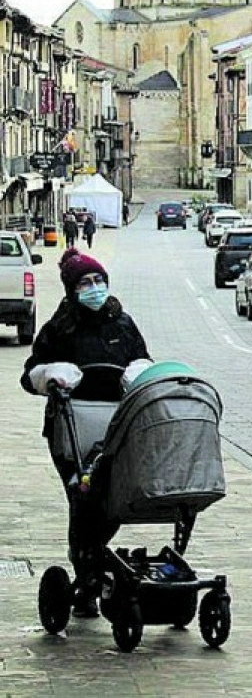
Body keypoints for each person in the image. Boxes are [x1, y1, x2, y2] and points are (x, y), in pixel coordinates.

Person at [20, 248, 152, 618]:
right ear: (72, 290)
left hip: (117, 426)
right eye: (85, 283)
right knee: (84, 499)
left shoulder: (122, 323)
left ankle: (90, 559)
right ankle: (85, 576)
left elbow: (143, 360)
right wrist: (51, 377)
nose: (94, 288)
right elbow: (31, 373)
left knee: (113, 503)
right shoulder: (59, 327)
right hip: (71, 429)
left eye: (98, 281)